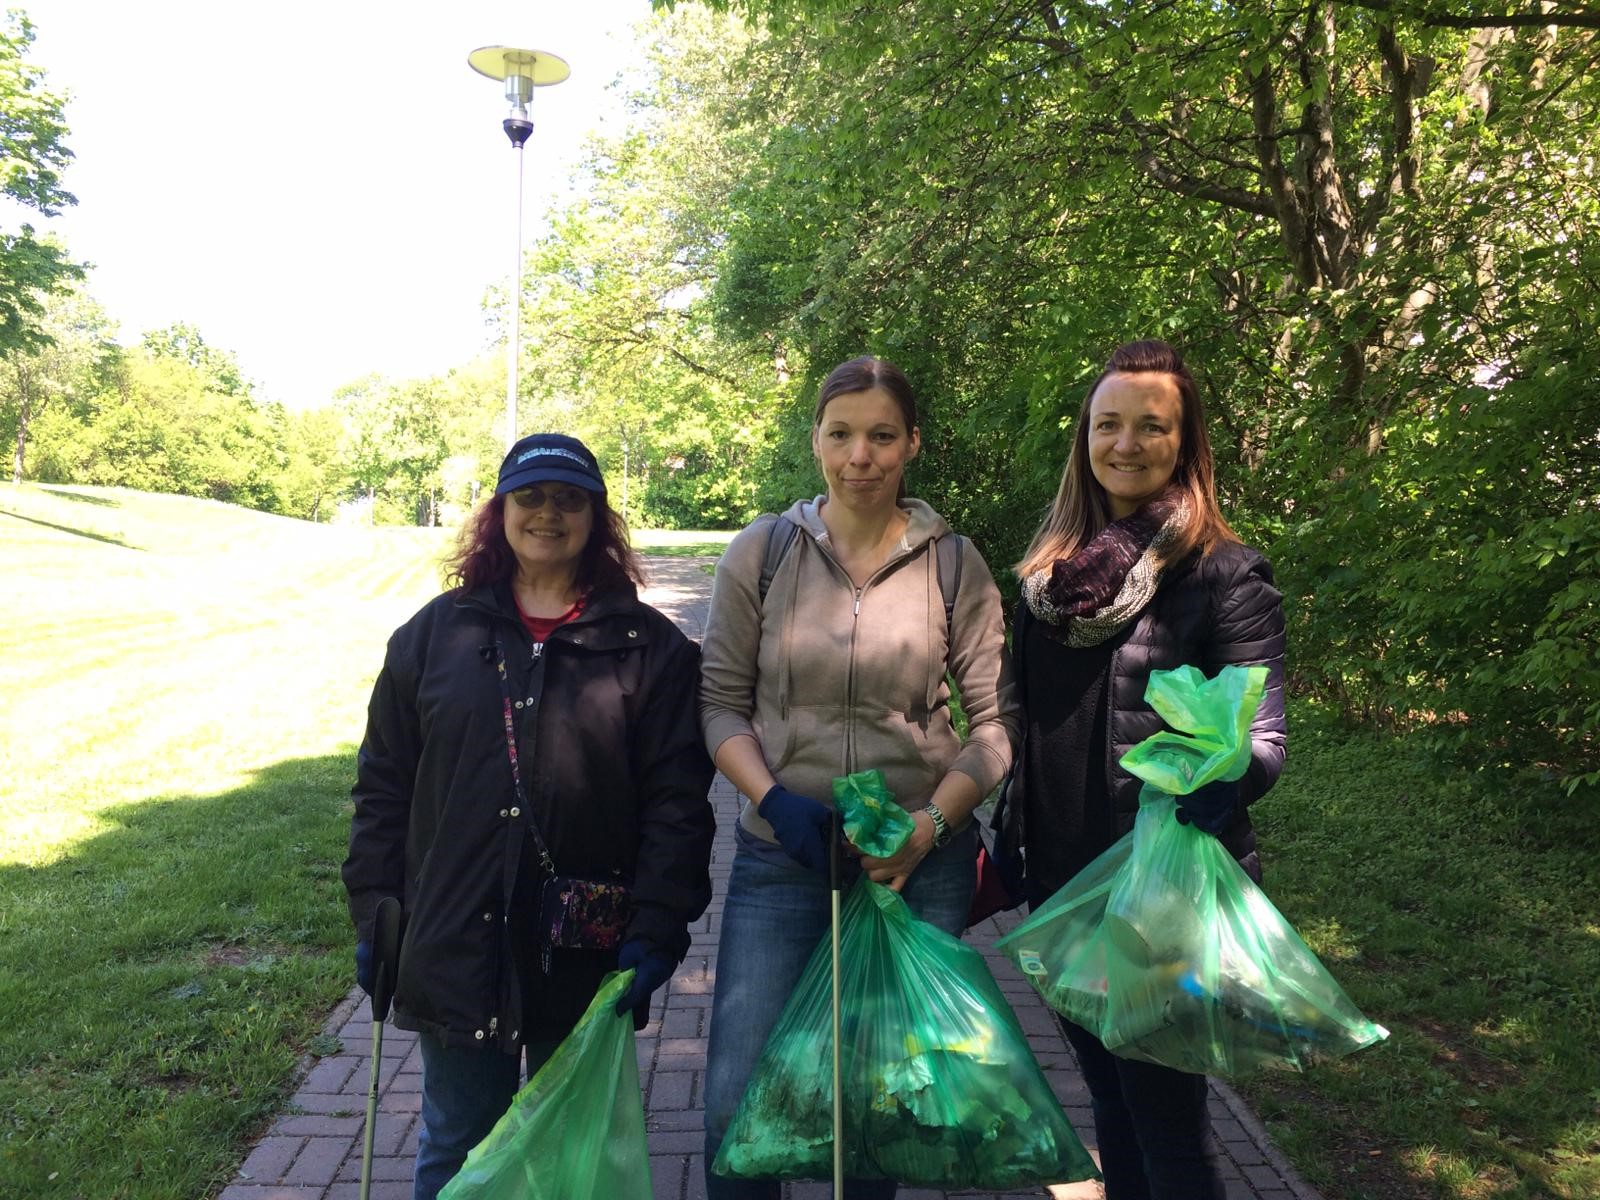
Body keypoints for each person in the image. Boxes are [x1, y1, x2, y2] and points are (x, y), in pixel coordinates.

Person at [341, 433, 716, 1200]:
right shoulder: (434, 636)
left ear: (597, 518)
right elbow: (383, 785)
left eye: (569, 499)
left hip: (585, 950)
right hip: (453, 940)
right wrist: (374, 911)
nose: (549, 514)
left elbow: (678, 806)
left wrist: (658, 925)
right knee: (457, 1143)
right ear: (500, 512)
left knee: (566, 1156)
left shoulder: (651, 650)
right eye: (531, 496)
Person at [698, 355, 1021, 1198]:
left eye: (882, 436)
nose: (860, 456)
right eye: (841, 434)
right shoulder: (763, 552)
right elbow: (720, 707)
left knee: (876, 1116)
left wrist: (933, 827)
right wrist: (773, 801)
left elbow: (995, 727)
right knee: (736, 1110)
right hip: (783, 860)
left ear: (912, 444)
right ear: (816, 441)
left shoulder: (956, 565)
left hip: (915, 869)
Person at [1002, 338, 1287, 1199]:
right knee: (1110, 1100)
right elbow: (1021, 716)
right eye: (1108, 424)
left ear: (1185, 441)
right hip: (1058, 875)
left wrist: (1222, 781)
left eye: (1150, 426)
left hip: (1151, 885)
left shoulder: (1225, 573)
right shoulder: (1050, 576)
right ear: (1085, 437)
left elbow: (1263, 735)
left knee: (1165, 1116)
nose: (1125, 443)